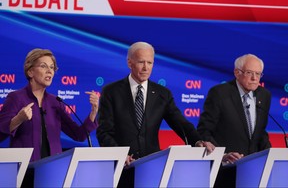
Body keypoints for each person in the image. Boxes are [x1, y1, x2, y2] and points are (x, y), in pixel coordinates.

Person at [96, 41, 215, 187]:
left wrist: (197, 141)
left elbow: (181, 123)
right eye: (141, 62)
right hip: (120, 170)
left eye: (150, 62)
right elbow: (104, 131)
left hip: (152, 170)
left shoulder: (162, 94)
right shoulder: (111, 92)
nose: (146, 68)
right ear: (129, 62)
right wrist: (119, 154)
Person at [0, 48, 99, 186]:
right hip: (24, 173)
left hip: (52, 173)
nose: (49, 71)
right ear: (30, 71)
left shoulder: (55, 102)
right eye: (43, 66)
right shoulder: (16, 98)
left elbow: (79, 135)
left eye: (52, 67)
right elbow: (1, 133)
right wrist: (19, 119)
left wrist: (93, 112)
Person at [197, 53, 272, 187]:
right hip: (226, 170)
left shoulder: (264, 95)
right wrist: (223, 155)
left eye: (258, 74)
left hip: (254, 172)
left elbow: (260, 133)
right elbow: (204, 131)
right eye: (249, 73)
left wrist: (272, 156)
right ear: (237, 73)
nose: (255, 78)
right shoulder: (220, 93)